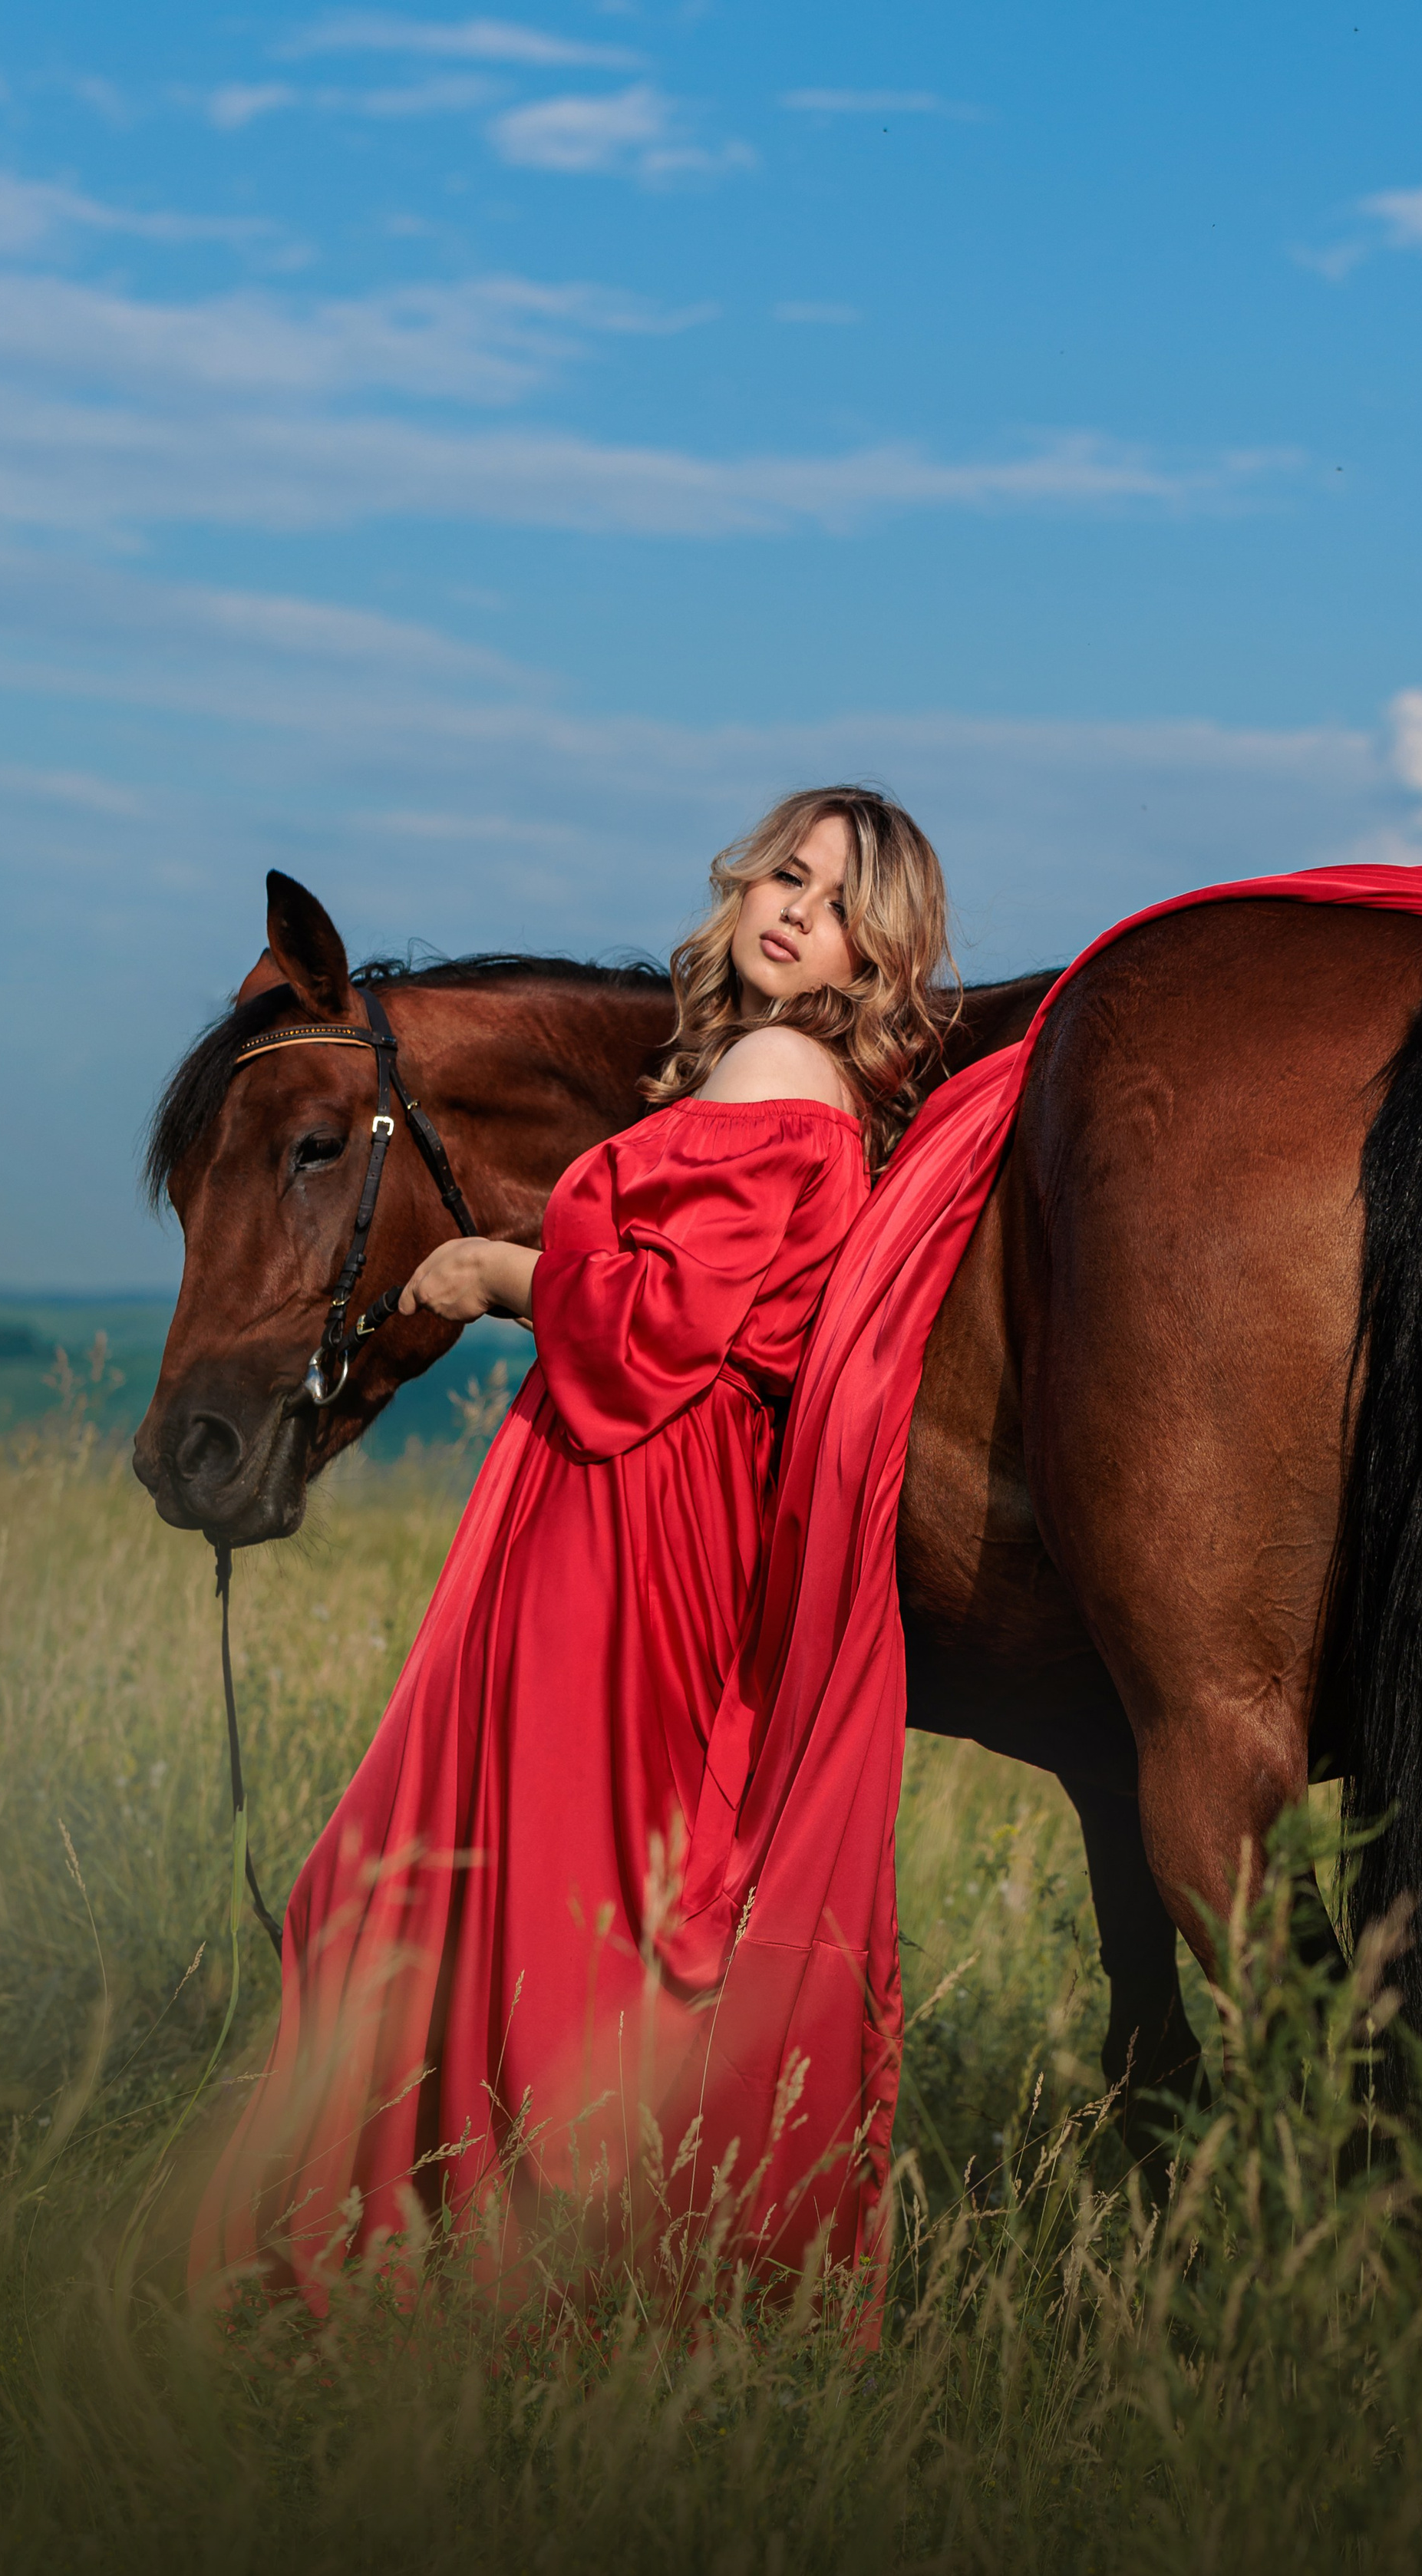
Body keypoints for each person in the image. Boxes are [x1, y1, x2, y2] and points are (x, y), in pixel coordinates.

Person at [192, 787, 953, 2302]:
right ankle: (537, 2223)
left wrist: (495, 1272)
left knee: (531, 1868)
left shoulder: (772, 1065)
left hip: (631, 1496)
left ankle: (495, 2231)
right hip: (645, 1493)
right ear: (745, 881)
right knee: (569, 1873)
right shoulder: (801, 1077)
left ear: (871, 960)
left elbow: (666, 1318)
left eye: (839, 908)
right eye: (787, 875)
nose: (795, 912)